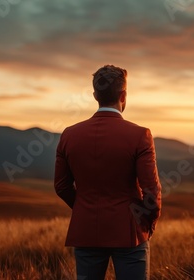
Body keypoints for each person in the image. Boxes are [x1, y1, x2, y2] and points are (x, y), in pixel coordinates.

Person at [54, 65, 162, 280]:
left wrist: (86, 208)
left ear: (95, 95)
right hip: (130, 231)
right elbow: (151, 191)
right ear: (123, 95)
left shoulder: (69, 135)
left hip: (86, 232)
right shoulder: (140, 135)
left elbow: (62, 186)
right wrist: (147, 225)